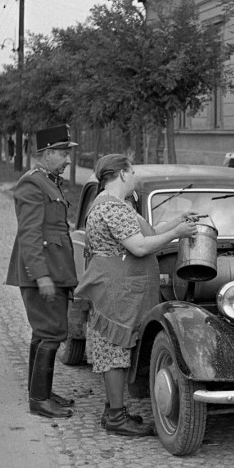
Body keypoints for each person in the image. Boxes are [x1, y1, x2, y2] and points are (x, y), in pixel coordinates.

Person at [74, 154, 201, 436]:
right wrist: (178, 233)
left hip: (121, 289)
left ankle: (113, 411)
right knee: (115, 351)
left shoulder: (118, 205)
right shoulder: (113, 208)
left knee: (117, 349)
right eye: (132, 173)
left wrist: (175, 222)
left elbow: (150, 231)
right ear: (121, 174)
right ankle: (116, 417)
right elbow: (141, 246)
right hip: (116, 291)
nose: (134, 178)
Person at [6, 124, 79, 419]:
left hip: (53, 271)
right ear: (47, 153)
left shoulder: (49, 181)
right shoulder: (32, 184)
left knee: (44, 333)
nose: (67, 160)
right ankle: (39, 400)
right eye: (63, 153)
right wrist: (42, 276)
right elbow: (30, 235)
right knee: (51, 333)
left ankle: (42, 393)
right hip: (43, 274)